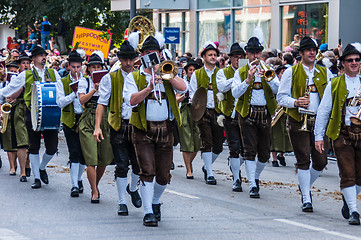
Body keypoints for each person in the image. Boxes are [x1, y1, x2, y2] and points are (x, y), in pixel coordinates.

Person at [123, 33, 187, 226]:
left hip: (165, 129)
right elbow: (131, 100)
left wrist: (166, 74)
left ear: (160, 55)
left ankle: (156, 201)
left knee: (164, 174)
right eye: (148, 53)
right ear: (141, 55)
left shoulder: (167, 73)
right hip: (143, 129)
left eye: (155, 53)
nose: (152, 56)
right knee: (147, 170)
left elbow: (184, 88)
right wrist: (149, 88)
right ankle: (148, 211)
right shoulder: (134, 76)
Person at [277, 37, 333, 212]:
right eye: (308, 50)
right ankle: (307, 198)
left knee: (321, 161)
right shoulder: (290, 72)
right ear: (300, 53)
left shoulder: (325, 73)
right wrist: (295, 102)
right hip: (298, 120)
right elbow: (281, 97)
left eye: (314, 50)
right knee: (303, 159)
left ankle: (305, 186)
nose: (311, 52)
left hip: (319, 121)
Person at [0, 46, 61, 188]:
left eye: (44, 55)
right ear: (33, 59)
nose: (43, 57)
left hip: (51, 115)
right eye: (40, 55)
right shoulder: (25, 75)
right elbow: (8, 90)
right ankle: (37, 178)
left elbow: (61, 93)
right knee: (33, 147)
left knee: (52, 148)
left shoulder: (54, 73)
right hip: (31, 114)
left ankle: (42, 167)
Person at [314, 43, 361, 225]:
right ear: (342, 63)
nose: (354, 63)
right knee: (347, 172)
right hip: (342, 133)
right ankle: (354, 211)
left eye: (357, 60)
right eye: (350, 60)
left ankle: (348, 200)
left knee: (360, 175)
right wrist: (319, 136)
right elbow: (323, 111)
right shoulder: (334, 83)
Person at [94, 40, 142, 215]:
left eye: (131, 59)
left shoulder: (141, 76)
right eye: (125, 59)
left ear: (136, 59)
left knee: (139, 165)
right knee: (121, 165)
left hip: (138, 125)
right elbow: (101, 103)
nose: (128, 63)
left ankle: (133, 188)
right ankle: (122, 201)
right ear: (119, 59)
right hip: (118, 125)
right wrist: (97, 127)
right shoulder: (110, 78)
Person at [231, 37, 280, 198]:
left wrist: (269, 78)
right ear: (247, 54)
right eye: (252, 53)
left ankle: (255, 176)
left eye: (258, 53)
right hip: (247, 114)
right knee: (249, 151)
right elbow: (235, 93)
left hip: (265, 113)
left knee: (265, 153)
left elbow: (277, 90)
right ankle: (252, 184)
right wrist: (248, 79)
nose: (255, 56)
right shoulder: (241, 71)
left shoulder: (268, 69)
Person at [78, 51, 113, 203]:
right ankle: (94, 191)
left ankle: (95, 185)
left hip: (105, 117)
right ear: (89, 69)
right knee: (91, 158)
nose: (96, 69)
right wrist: (94, 89)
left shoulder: (109, 80)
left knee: (104, 158)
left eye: (99, 66)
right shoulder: (84, 81)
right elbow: (82, 100)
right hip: (88, 118)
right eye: (93, 67)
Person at [189, 42, 224, 185]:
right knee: (206, 142)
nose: (213, 57)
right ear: (203, 57)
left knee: (218, 145)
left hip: (218, 111)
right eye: (210, 55)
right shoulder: (197, 74)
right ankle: (210, 172)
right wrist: (196, 108)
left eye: (215, 55)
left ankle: (206, 166)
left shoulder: (221, 73)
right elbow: (192, 93)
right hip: (203, 111)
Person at [216, 42, 246, 191]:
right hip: (230, 115)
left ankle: (235, 166)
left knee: (248, 149)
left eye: (241, 57)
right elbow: (222, 87)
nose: (238, 60)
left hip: (246, 114)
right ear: (231, 58)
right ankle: (236, 178)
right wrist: (237, 77)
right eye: (236, 57)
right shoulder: (223, 72)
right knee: (234, 147)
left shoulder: (249, 71)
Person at [56, 50, 86, 197]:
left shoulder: (86, 80)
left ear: (82, 67)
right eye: (73, 67)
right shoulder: (62, 82)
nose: (76, 70)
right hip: (69, 120)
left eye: (78, 67)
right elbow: (60, 103)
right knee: (74, 152)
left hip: (85, 120)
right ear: (68, 67)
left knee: (84, 154)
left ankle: (79, 178)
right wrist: (73, 94)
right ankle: (74, 184)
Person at [176, 59, 202, 179]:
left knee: (197, 141)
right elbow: (176, 98)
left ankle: (189, 163)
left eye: (194, 70)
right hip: (185, 110)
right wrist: (181, 98)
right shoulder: (182, 83)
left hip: (197, 111)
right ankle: (188, 169)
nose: (192, 72)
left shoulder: (200, 81)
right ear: (186, 72)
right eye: (190, 70)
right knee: (186, 140)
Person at [270, 65, 292, 167]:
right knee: (274, 136)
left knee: (285, 135)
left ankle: (281, 154)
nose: (283, 74)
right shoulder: (274, 83)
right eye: (282, 72)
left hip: (285, 112)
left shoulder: (289, 84)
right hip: (274, 113)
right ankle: (274, 158)